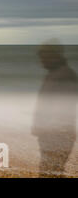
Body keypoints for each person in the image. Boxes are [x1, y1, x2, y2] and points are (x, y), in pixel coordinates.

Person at [32, 39, 77, 177]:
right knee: (52, 172)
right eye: (40, 55)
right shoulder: (56, 74)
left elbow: (63, 110)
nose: (41, 59)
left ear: (55, 55)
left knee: (50, 172)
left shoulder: (64, 76)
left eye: (44, 55)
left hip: (57, 136)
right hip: (53, 135)